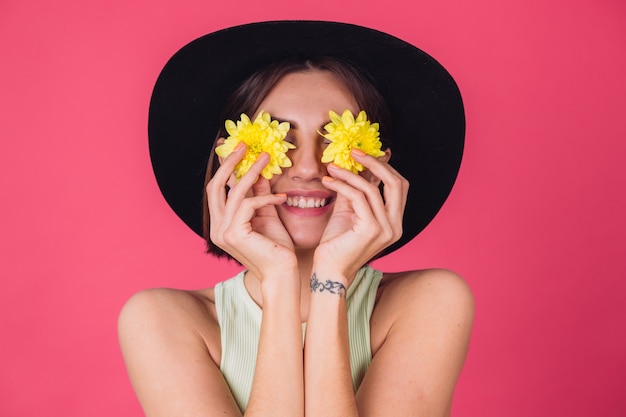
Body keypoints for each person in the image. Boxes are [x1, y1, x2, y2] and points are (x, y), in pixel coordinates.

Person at [118, 21, 473, 417]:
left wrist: (331, 281)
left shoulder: (431, 301)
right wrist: (278, 280)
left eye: (336, 142)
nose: (306, 168)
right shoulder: (159, 319)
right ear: (229, 163)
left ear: (375, 168)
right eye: (280, 139)